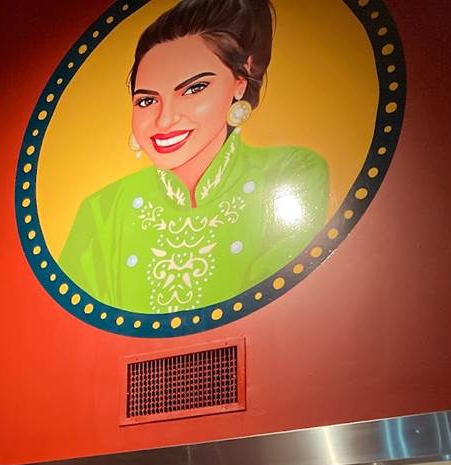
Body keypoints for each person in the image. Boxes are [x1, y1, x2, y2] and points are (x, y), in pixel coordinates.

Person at [59, 0, 329, 315]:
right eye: (146, 101)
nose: (165, 120)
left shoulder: (291, 173)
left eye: (193, 89)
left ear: (240, 82)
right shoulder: (102, 211)